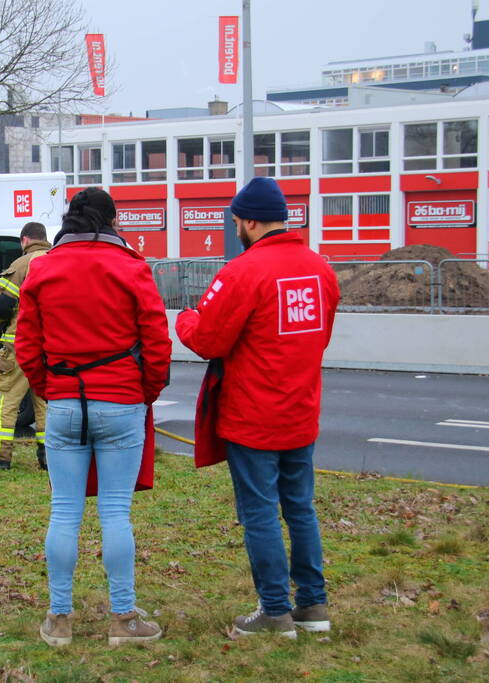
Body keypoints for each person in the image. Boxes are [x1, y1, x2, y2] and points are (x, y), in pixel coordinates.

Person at [175, 177, 340, 639]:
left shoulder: (243, 272)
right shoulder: (319, 269)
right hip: (301, 412)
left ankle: (274, 611)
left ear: (247, 221)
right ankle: (312, 605)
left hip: (252, 417)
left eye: (236, 223)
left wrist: (186, 318)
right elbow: (320, 337)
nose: (236, 230)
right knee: (300, 509)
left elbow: (208, 338)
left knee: (261, 513)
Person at [15, 188, 172, 647]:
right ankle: (123, 621)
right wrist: (143, 393)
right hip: (122, 401)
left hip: (64, 403)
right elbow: (157, 342)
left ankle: (59, 620)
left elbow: (27, 346)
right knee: (115, 513)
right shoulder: (131, 266)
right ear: (112, 222)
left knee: (63, 512)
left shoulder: (42, 269)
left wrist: (52, 390)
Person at [0, 221, 51, 470]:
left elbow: (0, 306)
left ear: (24, 240)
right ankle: (48, 456)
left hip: (21, 345)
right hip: (52, 347)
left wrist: (4, 325)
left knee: (4, 397)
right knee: (46, 402)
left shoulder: (23, 264)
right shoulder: (59, 260)